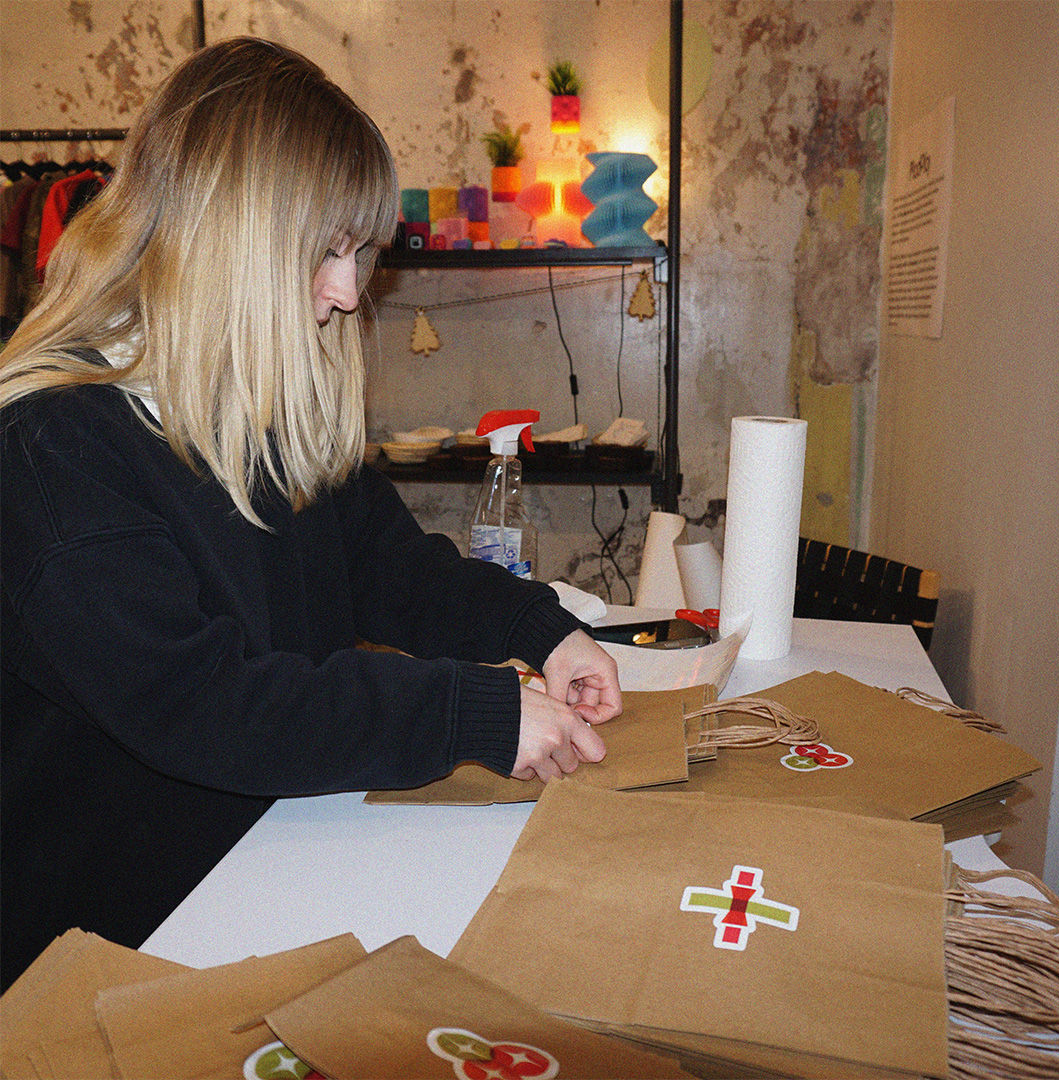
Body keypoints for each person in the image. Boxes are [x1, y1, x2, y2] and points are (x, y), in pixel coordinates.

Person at [0, 37, 621, 992]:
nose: (345, 291)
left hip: (261, 867)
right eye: (323, 251)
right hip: (103, 947)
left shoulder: (257, 402)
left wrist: (541, 630)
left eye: (357, 251)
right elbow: (207, 705)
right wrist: (473, 711)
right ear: (226, 236)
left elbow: (386, 566)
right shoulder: (54, 451)